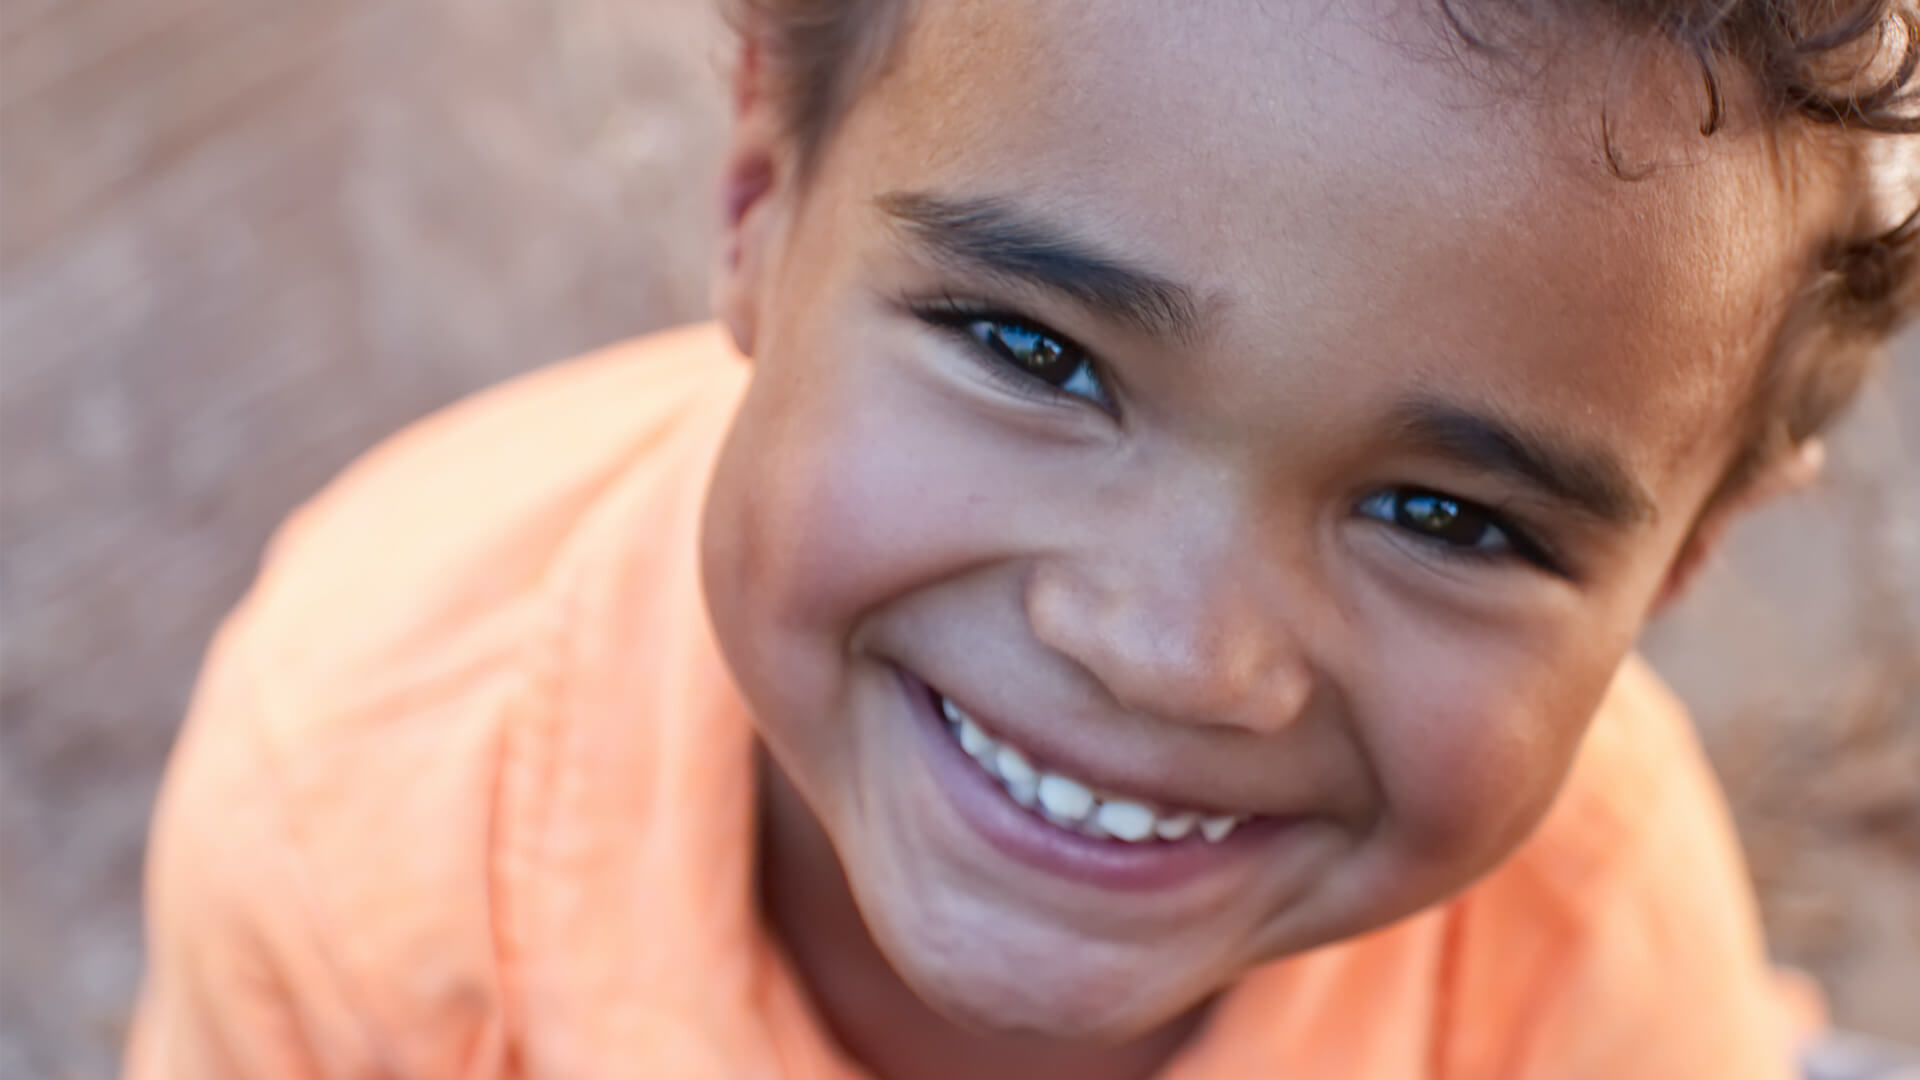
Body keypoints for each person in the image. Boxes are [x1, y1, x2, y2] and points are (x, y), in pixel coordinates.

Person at [125, 1, 1919, 1077]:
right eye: (1032, 351)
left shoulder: (1590, 940)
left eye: (1448, 517)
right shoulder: (355, 809)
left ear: (1674, 567)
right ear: (759, 198)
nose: (1173, 648)